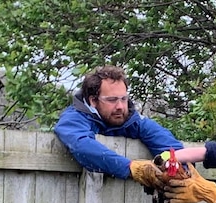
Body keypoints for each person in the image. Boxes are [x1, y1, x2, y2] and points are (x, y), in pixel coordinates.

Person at [54, 65, 182, 190]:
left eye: (123, 99)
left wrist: (182, 171)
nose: (120, 106)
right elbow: (82, 146)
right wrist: (130, 168)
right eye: (112, 100)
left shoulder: (132, 120)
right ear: (93, 100)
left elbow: (169, 145)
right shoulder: (73, 119)